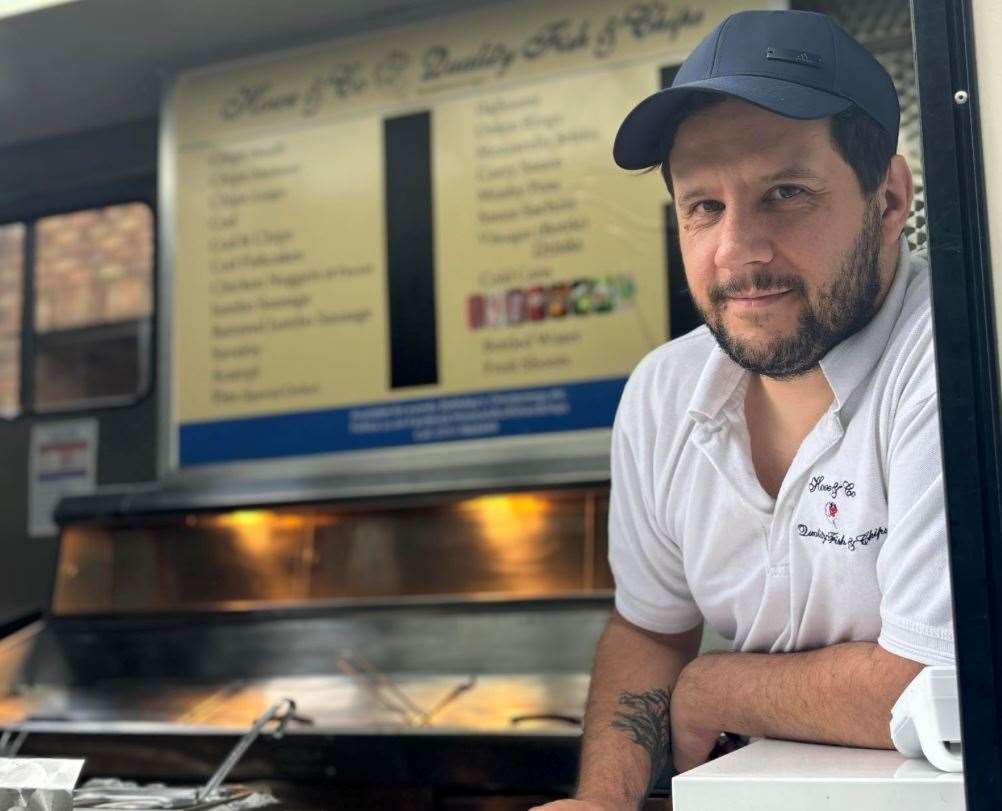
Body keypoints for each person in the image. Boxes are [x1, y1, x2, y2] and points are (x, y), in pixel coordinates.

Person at [533, 9, 954, 811]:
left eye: (785, 194)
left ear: (891, 198)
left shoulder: (956, 362)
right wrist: (604, 800)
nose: (737, 251)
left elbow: (935, 683)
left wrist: (717, 686)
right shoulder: (664, 392)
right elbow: (650, 629)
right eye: (704, 207)